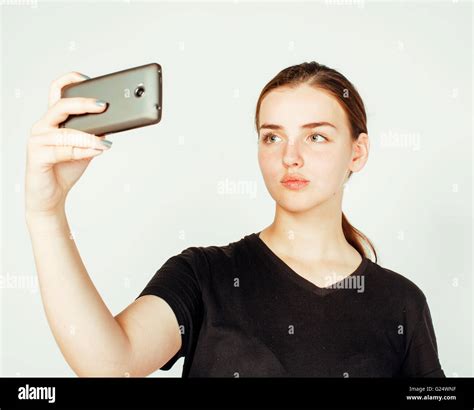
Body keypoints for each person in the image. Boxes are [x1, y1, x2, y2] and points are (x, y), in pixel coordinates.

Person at [25, 62, 445, 378]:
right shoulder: (204, 275)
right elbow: (108, 365)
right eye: (272, 136)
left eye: (316, 136)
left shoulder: (402, 303)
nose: (290, 156)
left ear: (357, 152)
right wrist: (46, 212)